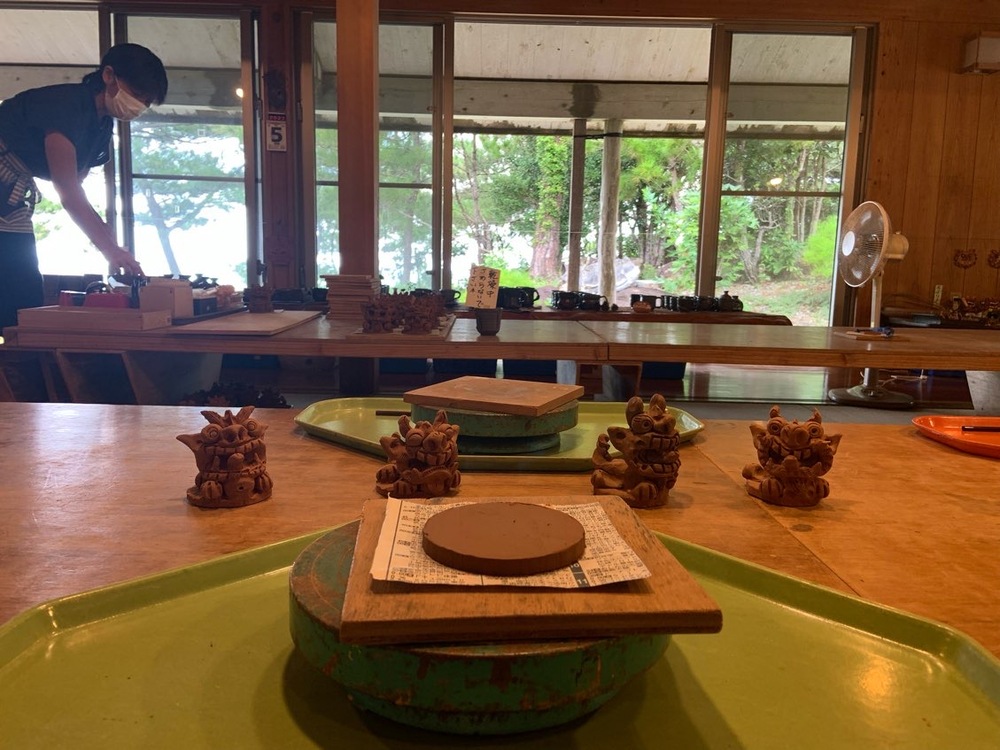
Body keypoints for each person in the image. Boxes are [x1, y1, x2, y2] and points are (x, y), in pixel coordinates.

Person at [0, 43, 168, 328]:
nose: (139, 105)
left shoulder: (101, 127)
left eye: (146, 101)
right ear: (108, 75)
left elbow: (77, 185)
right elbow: (68, 192)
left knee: (23, 293)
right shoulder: (66, 105)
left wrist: (110, 241)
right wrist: (111, 250)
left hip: (13, 196)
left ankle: (15, 352)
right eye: (137, 94)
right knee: (16, 285)